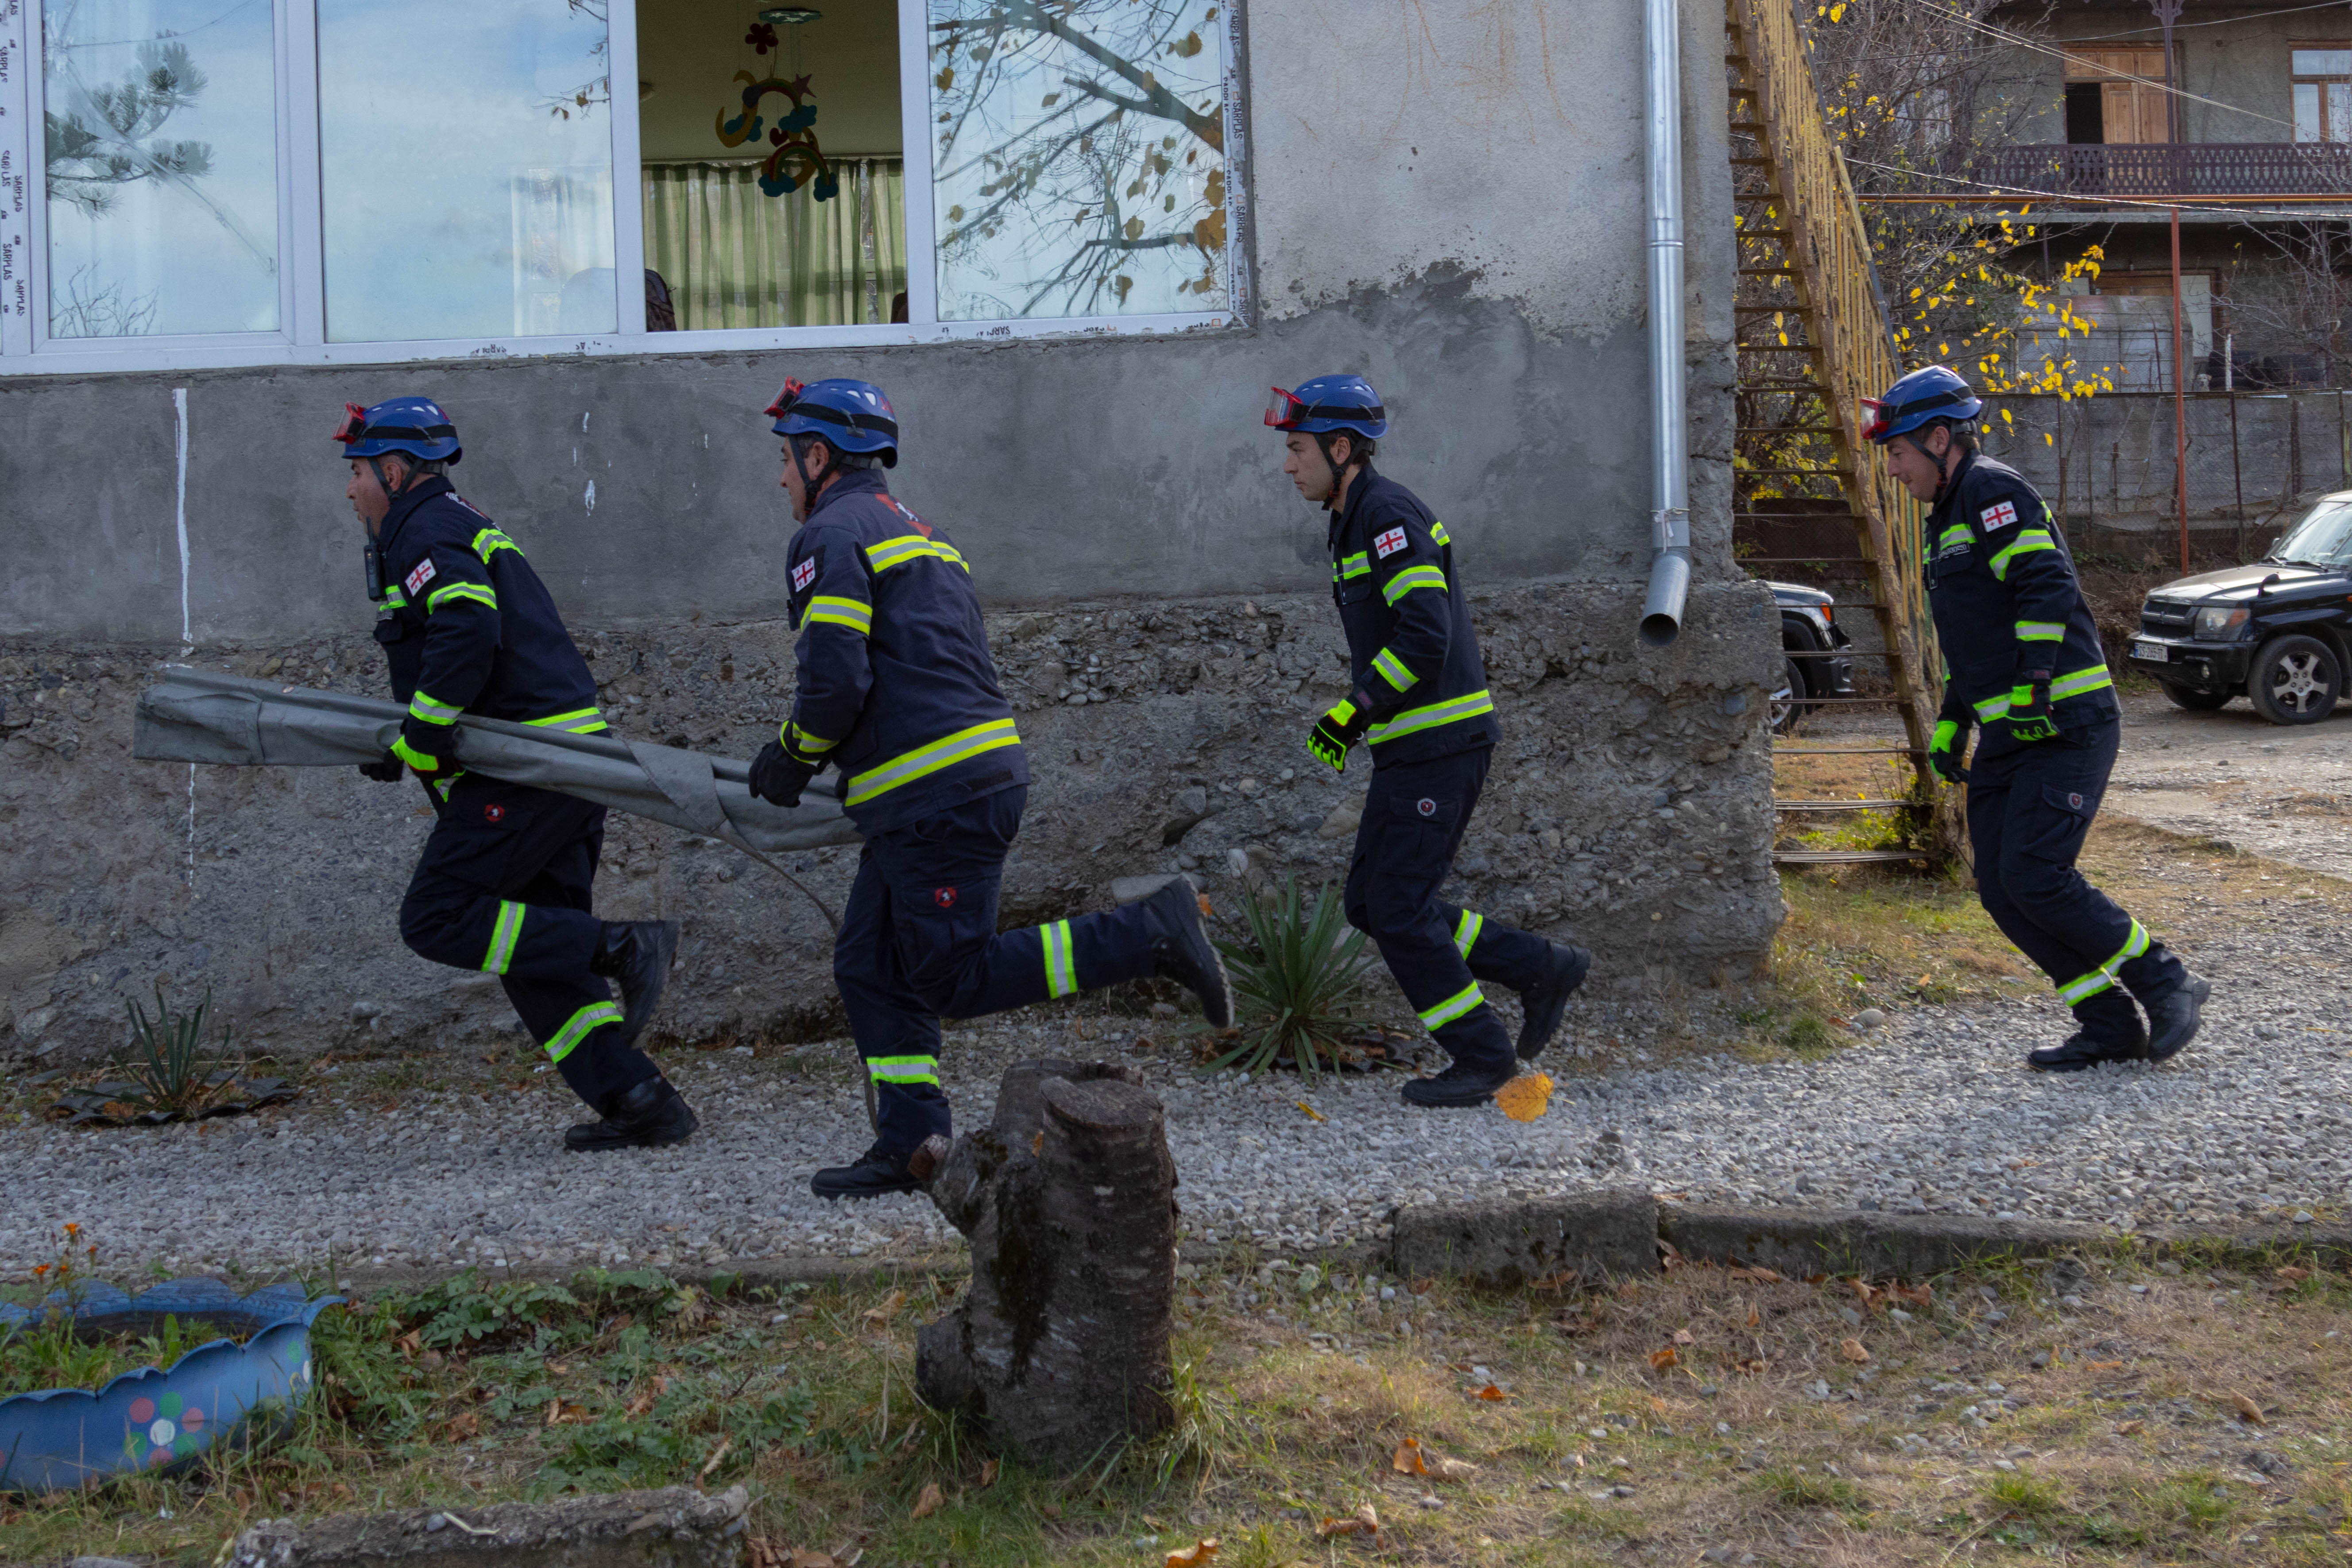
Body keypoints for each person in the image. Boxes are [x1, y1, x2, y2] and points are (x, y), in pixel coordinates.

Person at [746, 378, 1234, 1198]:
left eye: (786, 461)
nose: (782, 479)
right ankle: (911, 1143)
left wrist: (792, 755)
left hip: (934, 793)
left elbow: (833, 680)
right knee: (870, 961)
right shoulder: (927, 535)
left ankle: (1151, 931)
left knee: (952, 975)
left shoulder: (829, 535)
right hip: (952, 780)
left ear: (818, 455)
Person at [335, 397, 695, 1148]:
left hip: (530, 770)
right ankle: (640, 1100)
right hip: (560, 765)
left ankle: (623, 947)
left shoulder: (423, 526)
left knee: (436, 916)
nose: (351, 491)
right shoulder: (452, 520)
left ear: (395, 473)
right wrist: (411, 741)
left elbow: (468, 625)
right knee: (536, 950)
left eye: (359, 472)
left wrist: (424, 735)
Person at [1867, 365, 2209, 1070]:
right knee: (1999, 883)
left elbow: (2046, 585)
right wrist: (1955, 719)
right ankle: (2108, 1022)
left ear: (1939, 440)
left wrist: (2033, 686)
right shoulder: (1945, 521)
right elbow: (1975, 637)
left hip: (2065, 723)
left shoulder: (1992, 490)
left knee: (2036, 871)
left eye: (1898, 453)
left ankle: (2167, 979)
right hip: (2012, 733)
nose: (1894, 470)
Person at [1269, 375, 1592, 1107]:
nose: (1289, 466)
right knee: (1369, 902)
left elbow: (1425, 632)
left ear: (1340, 448)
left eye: (1296, 450)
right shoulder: (1352, 517)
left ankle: (1485, 1056)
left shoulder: (1387, 514)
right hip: (1412, 746)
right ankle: (1541, 965)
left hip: (1440, 745)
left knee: (1400, 905)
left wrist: (1352, 711)